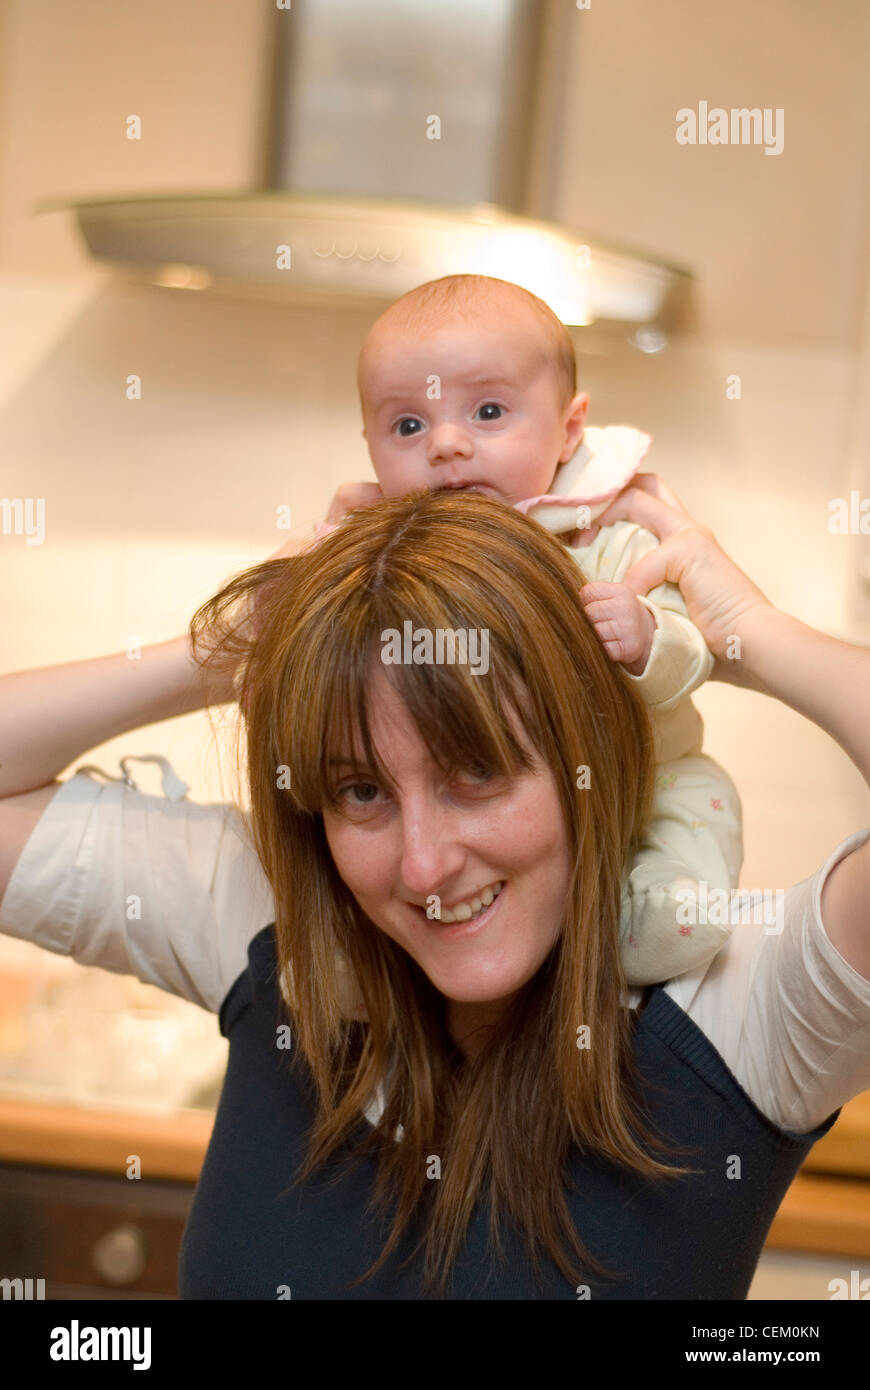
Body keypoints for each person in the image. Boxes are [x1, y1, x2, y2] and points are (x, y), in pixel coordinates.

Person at [0, 477, 868, 1300]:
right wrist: (237, 650)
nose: (422, 867)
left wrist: (750, 631)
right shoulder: (274, 926)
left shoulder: (741, 1010)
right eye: (362, 791)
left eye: (477, 771)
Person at [315, 273, 743, 986]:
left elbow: (690, 651)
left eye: (487, 410)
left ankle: (624, 929)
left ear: (570, 427)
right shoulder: (382, 570)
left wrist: (645, 636)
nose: (446, 445)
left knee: (679, 897)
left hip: (658, 782)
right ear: (369, 445)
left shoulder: (604, 538)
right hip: (506, 874)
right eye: (408, 426)